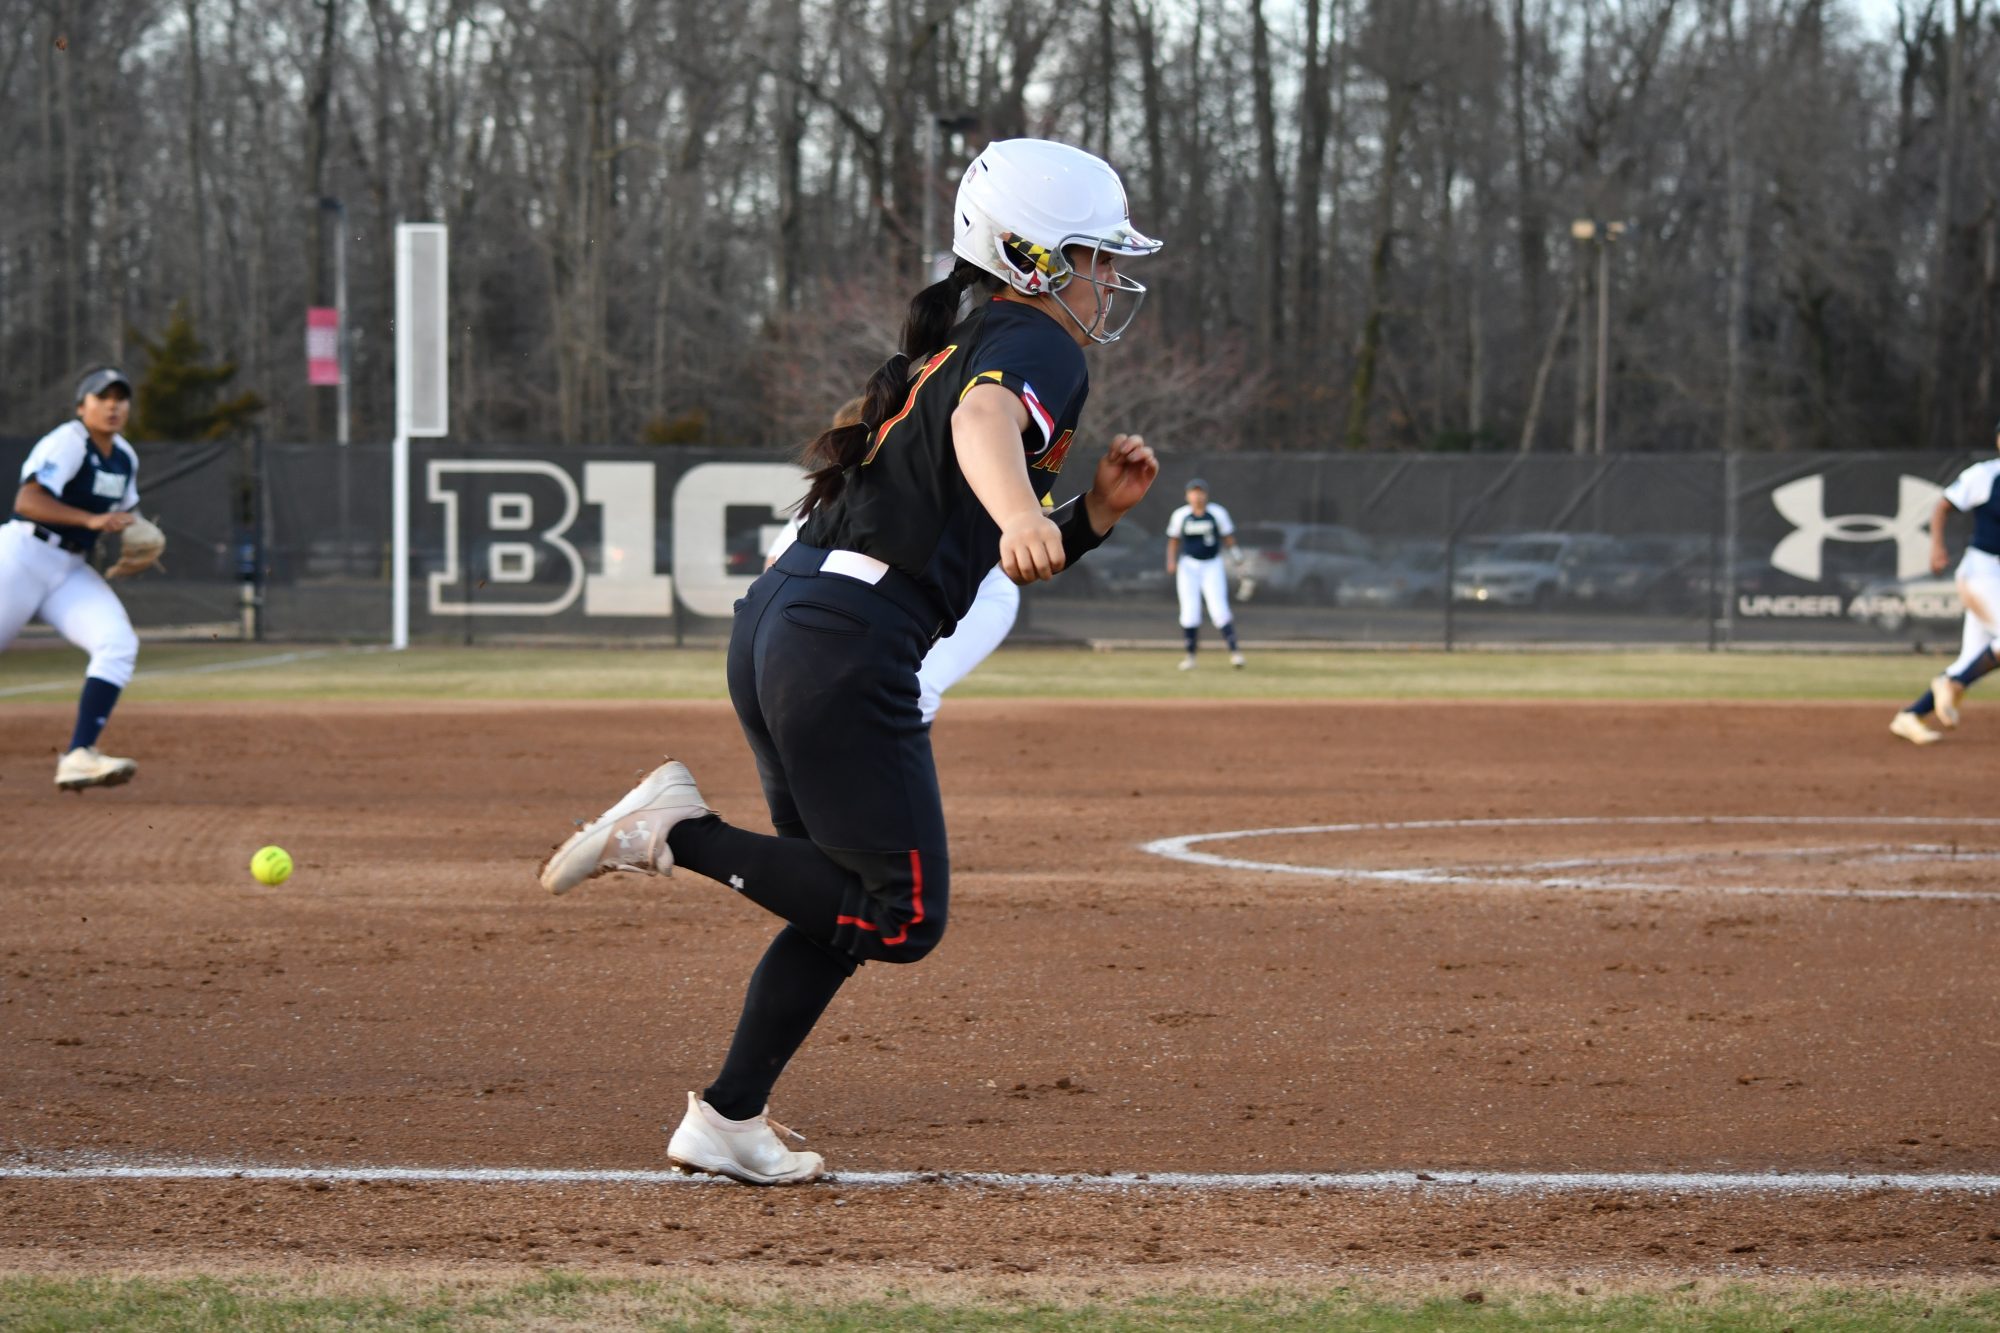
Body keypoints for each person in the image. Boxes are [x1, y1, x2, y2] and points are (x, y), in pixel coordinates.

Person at [538, 138, 1162, 1183]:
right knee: (900, 915)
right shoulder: (1032, 345)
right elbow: (983, 421)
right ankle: (674, 833)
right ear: (1029, 257)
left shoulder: (957, 341)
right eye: (1094, 254)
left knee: (834, 896)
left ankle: (728, 1117)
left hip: (793, 617)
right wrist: (1018, 508)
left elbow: (961, 492)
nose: (1109, 277)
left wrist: (1087, 514)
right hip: (843, 639)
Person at [767, 398, 1023, 726]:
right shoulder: (834, 498)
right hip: (895, 606)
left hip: (977, 596)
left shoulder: (938, 478)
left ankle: (895, 773)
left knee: (916, 688)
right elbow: (776, 570)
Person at [3, 368, 146, 790]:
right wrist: (90, 519)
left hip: (68, 569)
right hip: (21, 556)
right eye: (102, 397)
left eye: (121, 397)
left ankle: (79, 756)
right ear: (82, 406)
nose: (113, 405)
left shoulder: (125, 457)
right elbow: (27, 499)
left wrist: (136, 541)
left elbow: (126, 513)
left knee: (118, 643)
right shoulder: (69, 441)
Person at [1891, 421, 2000, 745]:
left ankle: (1910, 716)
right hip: (1981, 572)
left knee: (1973, 659)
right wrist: (1937, 546)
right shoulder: (1986, 475)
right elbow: (1943, 505)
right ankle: (1950, 683)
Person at [1164, 478, 1245, 670]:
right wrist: (1171, 561)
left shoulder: (1217, 513)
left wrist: (1237, 555)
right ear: (1187, 495)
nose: (1197, 495)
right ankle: (1190, 657)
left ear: (1206, 495)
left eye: (1200, 492)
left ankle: (1235, 653)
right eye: (1193, 492)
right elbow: (1173, 540)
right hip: (1188, 565)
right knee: (1189, 611)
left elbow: (1227, 537)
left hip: (1212, 564)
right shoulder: (1181, 514)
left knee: (1219, 608)